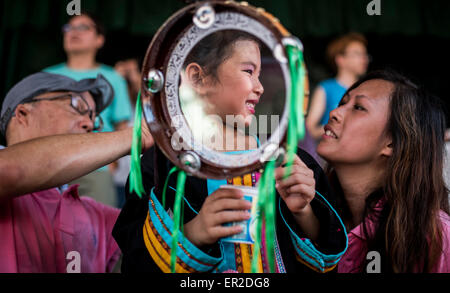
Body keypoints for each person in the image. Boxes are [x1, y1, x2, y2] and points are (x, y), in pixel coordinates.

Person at [113, 31, 348, 273]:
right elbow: (135, 262)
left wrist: (304, 213)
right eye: (248, 71)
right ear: (197, 78)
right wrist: (194, 232)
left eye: (259, 75)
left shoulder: (292, 163)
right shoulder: (161, 167)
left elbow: (328, 264)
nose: (260, 87)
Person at [0, 72, 153, 273]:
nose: (90, 124)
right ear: (23, 113)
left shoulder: (97, 215)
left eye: (94, 119)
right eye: (77, 106)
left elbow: (160, 243)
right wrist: (138, 135)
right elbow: (9, 170)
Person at [316, 69, 450, 273]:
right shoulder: (310, 213)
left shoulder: (436, 238)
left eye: (359, 107)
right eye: (343, 103)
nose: (334, 113)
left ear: (392, 143)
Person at [43, 12, 133, 208]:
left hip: (97, 167)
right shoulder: (46, 77)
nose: (74, 32)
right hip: (50, 166)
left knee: (98, 234)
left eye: (83, 27)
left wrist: (112, 163)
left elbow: (122, 126)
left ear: (99, 39)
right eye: (69, 27)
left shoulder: (113, 78)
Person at [306, 33, 369, 142]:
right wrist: (334, 127)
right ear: (340, 59)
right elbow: (309, 129)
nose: (364, 59)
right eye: (357, 54)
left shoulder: (368, 88)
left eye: (365, 54)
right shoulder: (325, 87)